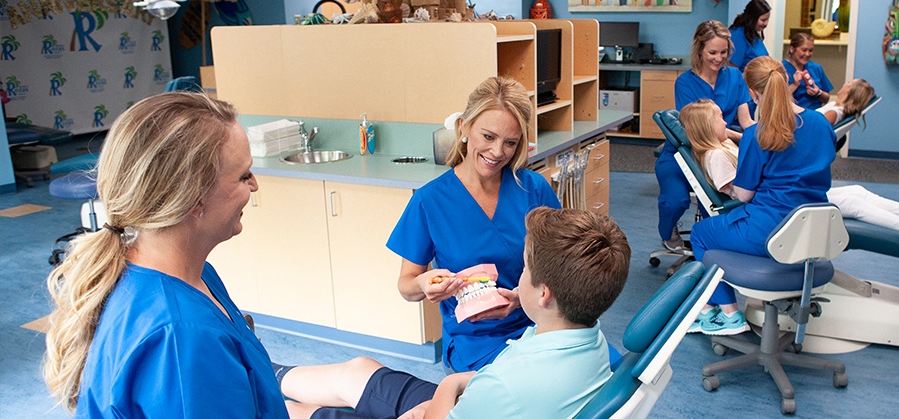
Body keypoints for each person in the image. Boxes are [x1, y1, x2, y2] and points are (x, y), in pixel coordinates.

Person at [44, 92, 285, 417]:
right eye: (243, 176)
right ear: (193, 199)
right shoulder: (181, 340)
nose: (254, 185)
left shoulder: (189, 275)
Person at [272, 207, 632, 419]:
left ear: (544, 294)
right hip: (478, 402)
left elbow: (500, 389)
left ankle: (255, 389)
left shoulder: (509, 387)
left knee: (300, 413)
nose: (519, 276)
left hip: (476, 402)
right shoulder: (588, 337)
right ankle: (267, 371)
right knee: (360, 371)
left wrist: (446, 387)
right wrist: (452, 392)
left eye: (524, 269)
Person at [386, 76, 561, 373]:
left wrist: (521, 300)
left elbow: (562, 265)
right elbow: (406, 285)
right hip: (476, 339)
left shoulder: (533, 188)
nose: (497, 153)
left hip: (541, 321)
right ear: (465, 127)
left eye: (510, 143)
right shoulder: (430, 201)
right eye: (488, 137)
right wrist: (423, 284)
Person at [681, 99, 899, 247]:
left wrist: (732, 132)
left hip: (778, 197)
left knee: (857, 192)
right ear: (707, 127)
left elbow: (749, 147)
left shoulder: (724, 145)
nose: (725, 118)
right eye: (719, 117)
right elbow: (739, 193)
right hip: (774, 205)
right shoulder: (717, 156)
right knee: (854, 203)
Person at [687, 56, 837, 336]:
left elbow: (744, 195)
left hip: (768, 231)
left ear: (753, 93)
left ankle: (726, 314)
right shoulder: (820, 122)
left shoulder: (758, 134)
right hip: (814, 230)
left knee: (701, 234)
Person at [655, 21, 755, 252]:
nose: (719, 58)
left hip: (718, 151)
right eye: (712, 52)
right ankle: (668, 231)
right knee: (675, 200)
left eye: (723, 52)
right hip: (685, 151)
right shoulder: (685, 83)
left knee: (715, 207)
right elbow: (697, 128)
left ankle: (708, 248)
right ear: (699, 50)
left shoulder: (735, 77)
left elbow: (746, 120)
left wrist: (761, 134)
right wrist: (738, 136)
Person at [782, 31, 832, 109]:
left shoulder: (816, 68)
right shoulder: (781, 69)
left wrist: (818, 93)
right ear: (792, 49)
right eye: (804, 50)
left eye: (810, 50)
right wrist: (795, 85)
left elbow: (826, 99)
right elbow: (777, 99)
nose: (807, 54)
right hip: (793, 115)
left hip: (816, 113)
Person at [727, 0, 771, 70]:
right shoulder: (738, 35)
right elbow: (732, 69)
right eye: (763, 20)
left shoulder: (753, 34)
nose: (766, 23)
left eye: (767, 19)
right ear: (752, 18)